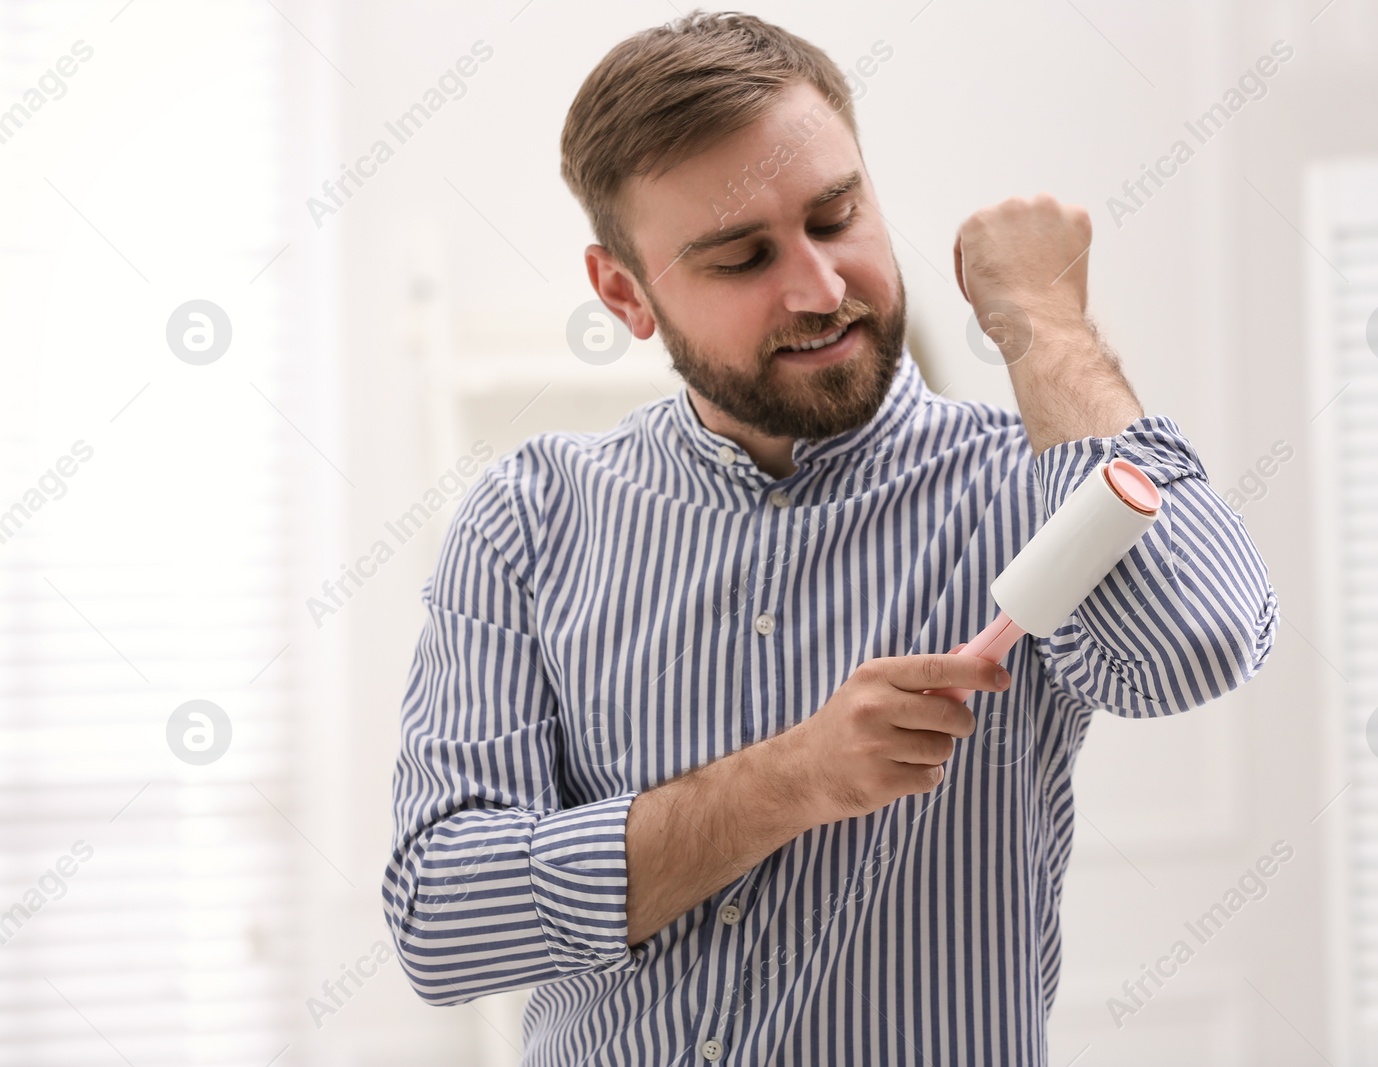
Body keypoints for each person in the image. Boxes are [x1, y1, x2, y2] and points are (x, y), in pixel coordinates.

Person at [383, 10, 1279, 1064]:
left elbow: (1197, 642)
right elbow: (442, 920)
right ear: (623, 291)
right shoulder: (529, 518)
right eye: (739, 257)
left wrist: (1046, 322)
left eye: (835, 216)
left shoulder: (1023, 482)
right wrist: (792, 779)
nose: (819, 288)